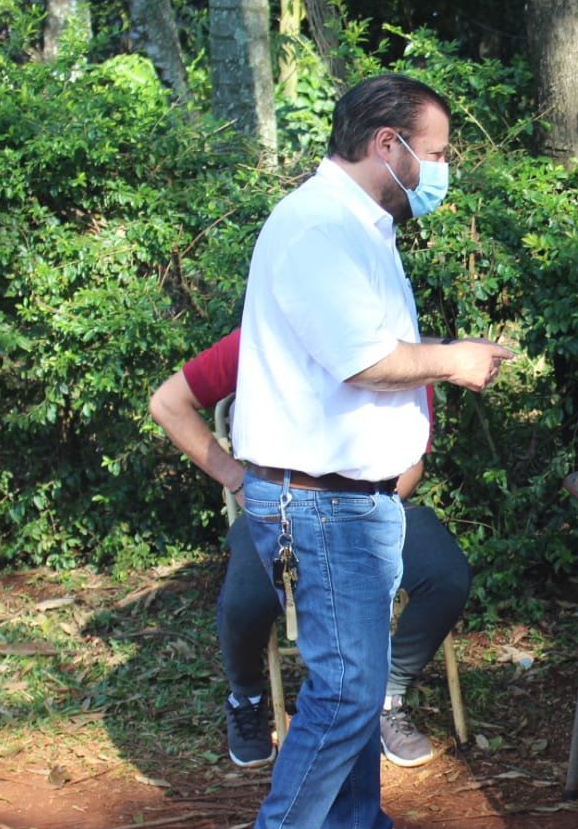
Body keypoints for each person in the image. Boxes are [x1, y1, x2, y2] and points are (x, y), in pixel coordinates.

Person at [214, 73, 512, 829]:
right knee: (346, 694)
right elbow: (361, 359)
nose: (442, 167)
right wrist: (455, 362)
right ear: (388, 144)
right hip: (323, 499)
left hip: (355, 496)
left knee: (353, 681)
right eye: (438, 150)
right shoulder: (315, 228)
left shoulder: (358, 228)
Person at [148, 329, 473, 769]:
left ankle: (386, 695)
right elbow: (167, 403)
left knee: (446, 576)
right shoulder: (262, 335)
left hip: (375, 505)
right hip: (279, 509)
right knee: (246, 599)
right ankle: (246, 698)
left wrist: (375, 507)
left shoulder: (399, 345)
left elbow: (413, 457)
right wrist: (238, 481)